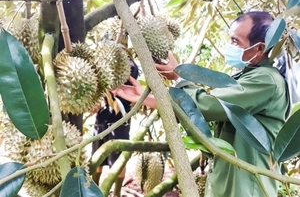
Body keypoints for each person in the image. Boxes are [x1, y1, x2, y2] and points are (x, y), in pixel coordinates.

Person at [112, 11, 291, 197]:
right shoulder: (248, 75)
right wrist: (149, 99)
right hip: (230, 180)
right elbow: (209, 112)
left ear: (260, 48)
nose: (229, 46)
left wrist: (180, 75)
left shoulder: (266, 81)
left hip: (246, 187)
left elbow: (207, 105)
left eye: (236, 41)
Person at [91, 59, 139, 197]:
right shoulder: (103, 65)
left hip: (120, 119)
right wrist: (97, 102)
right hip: (101, 119)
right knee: (97, 157)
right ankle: (94, 189)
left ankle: (117, 193)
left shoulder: (130, 66)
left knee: (118, 160)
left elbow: (128, 92)